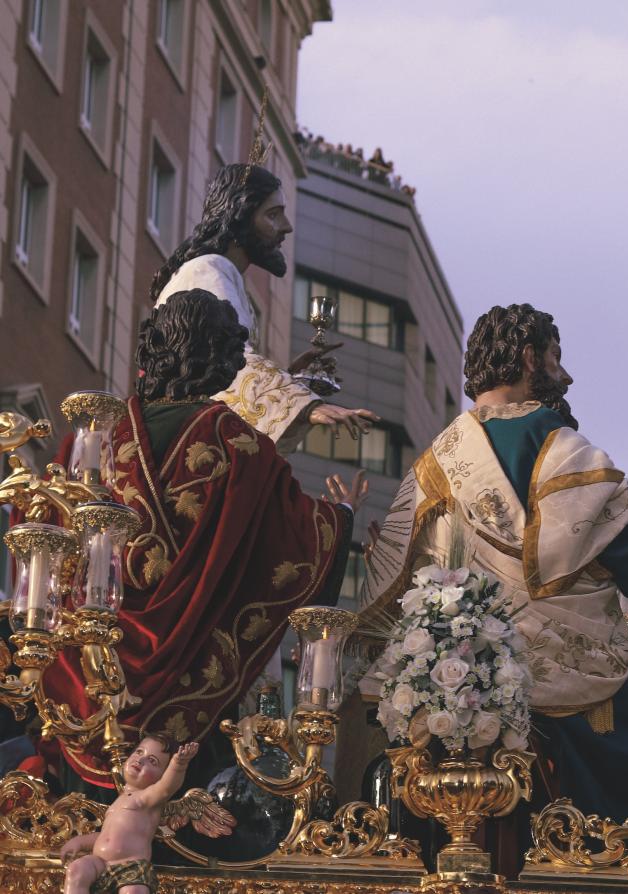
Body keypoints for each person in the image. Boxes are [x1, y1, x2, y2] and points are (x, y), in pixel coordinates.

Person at [362, 304, 628, 852]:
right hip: (556, 665)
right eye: (555, 357)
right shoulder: (555, 443)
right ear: (528, 357)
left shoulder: (433, 460)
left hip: (450, 672)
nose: (565, 376)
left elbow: (391, 579)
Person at [45, 291, 366, 787]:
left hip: (82, 685)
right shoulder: (234, 442)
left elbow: (51, 541)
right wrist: (342, 516)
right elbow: (291, 539)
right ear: (215, 354)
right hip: (191, 683)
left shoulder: (93, 437)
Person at [150, 163, 378, 452]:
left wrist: (290, 378)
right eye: (273, 215)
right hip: (182, 438)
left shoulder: (224, 276)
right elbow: (214, 362)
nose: (286, 227)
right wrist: (299, 402)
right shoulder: (207, 271)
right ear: (239, 218)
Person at [61, 738, 207, 894]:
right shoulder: (118, 801)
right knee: (77, 869)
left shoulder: (147, 798)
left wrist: (178, 764)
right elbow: (105, 835)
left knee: (134, 891)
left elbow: (167, 787)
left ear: (162, 775)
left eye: (152, 761)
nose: (141, 759)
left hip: (129, 866)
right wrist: (79, 842)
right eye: (139, 751)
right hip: (100, 862)